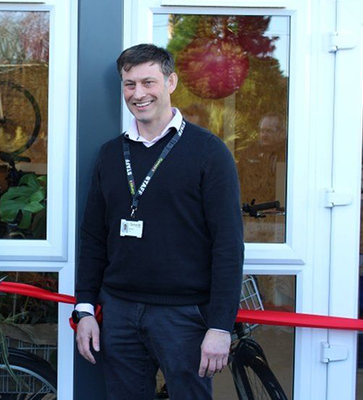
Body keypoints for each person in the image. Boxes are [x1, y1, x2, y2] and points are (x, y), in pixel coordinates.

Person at [74, 44, 244, 399]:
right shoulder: (109, 155)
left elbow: (228, 245)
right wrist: (85, 308)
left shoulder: (209, 153)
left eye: (148, 82)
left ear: (171, 82)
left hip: (183, 317)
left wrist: (220, 326)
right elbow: (93, 237)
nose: (138, 94)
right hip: (119, 313)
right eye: (129, 84)